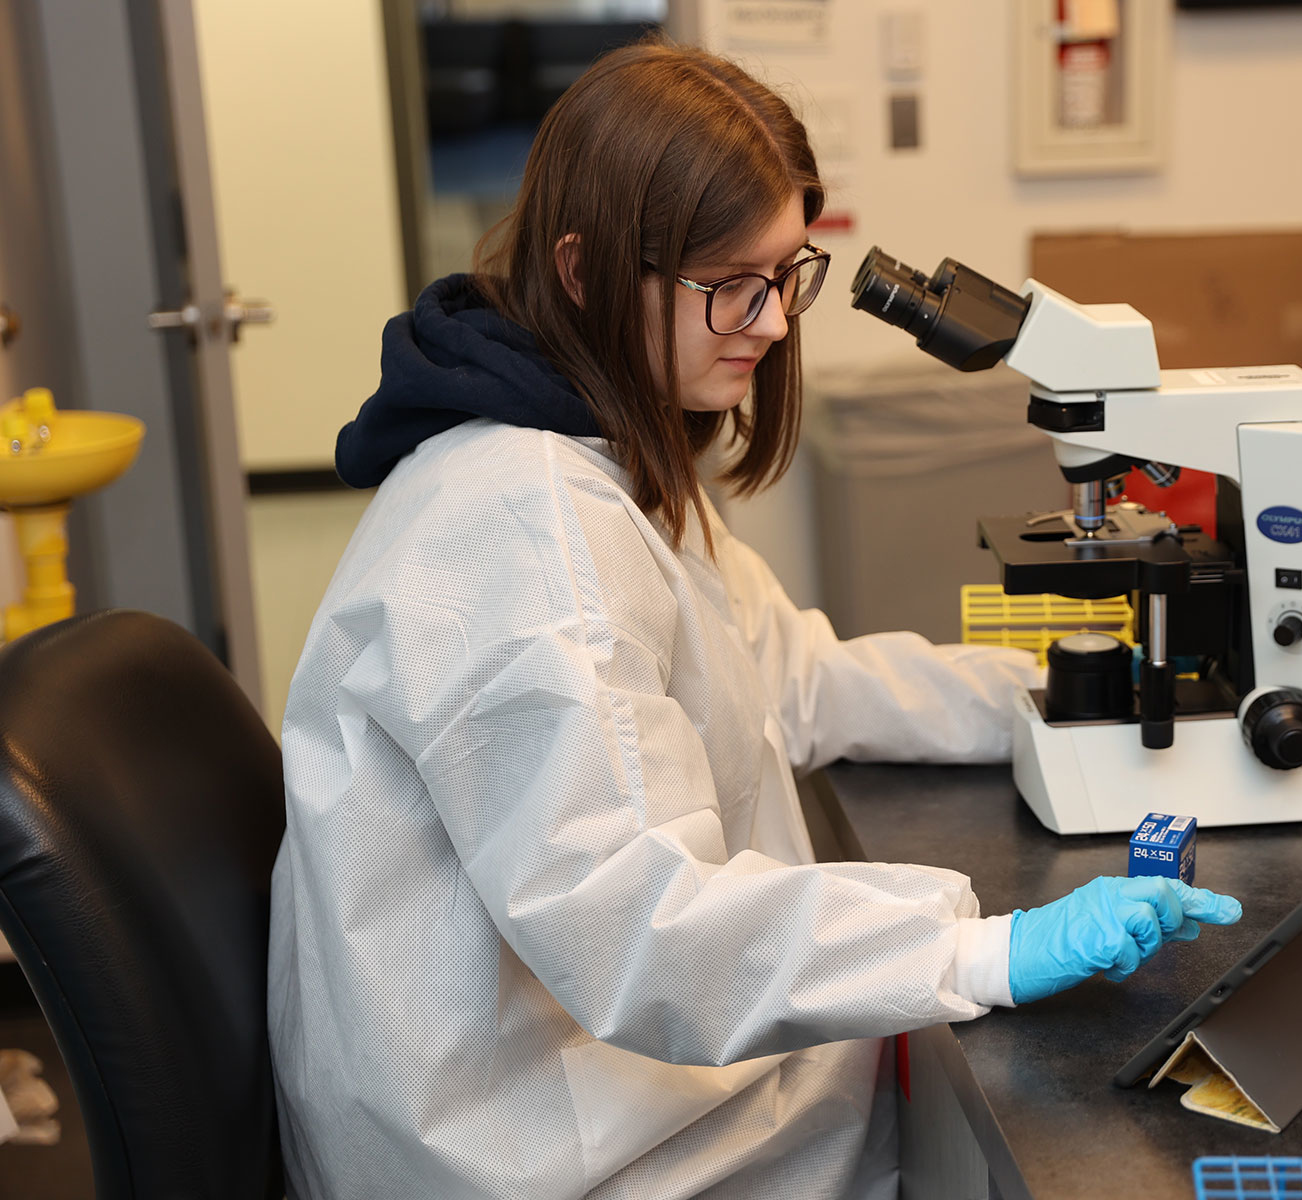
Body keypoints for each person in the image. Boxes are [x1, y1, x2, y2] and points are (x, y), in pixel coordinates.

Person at [267, 37, 1241, 1200]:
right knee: (1025, 1138)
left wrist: (1066, 693)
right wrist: (983, 948)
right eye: (732, 282)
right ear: (580, 269)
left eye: (789, 275)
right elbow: (639, 927)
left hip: (591, 1066)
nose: (774, 324)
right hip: (532, 1142)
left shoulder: (598, 445)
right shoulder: (524, 530)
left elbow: (792, 678)